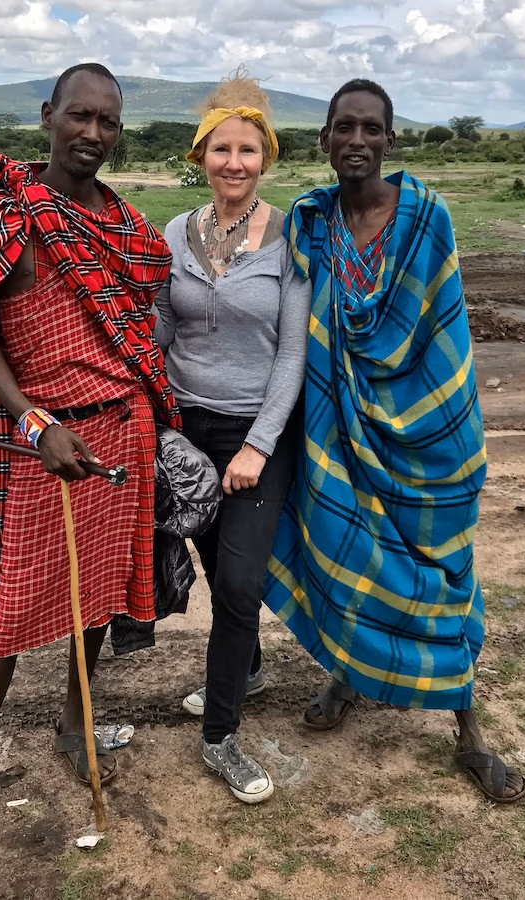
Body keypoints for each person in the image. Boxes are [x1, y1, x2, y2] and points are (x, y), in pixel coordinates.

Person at [0, 63, 179, 874]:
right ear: (48, 115)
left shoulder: (126, 227)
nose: (94, 134)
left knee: (96, 600)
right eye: (80, 117)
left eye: (109, 123)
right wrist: (34, 421)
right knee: (16, 612)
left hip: (123, 436)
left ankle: (73, 724)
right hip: (46, 443)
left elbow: (142, 323)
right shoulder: (4, 217)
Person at [264, 79, 525, 803]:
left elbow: (444, 329)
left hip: (427, 438)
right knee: (349, 555)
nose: (355, 140)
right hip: (340, 432)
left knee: (444, 572)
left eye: (370, 128)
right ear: (322, 139)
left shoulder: (425, 217)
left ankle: (468, 733)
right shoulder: (309, 221)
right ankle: (348, 674)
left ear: (389, 139)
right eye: (342, 127)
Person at [153, 74, 312, 804]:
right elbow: (159, 335)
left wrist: (257, 446)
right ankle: (244, 669)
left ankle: (220, 738)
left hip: (259, 432)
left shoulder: (291, 237)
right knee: (218, 570)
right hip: (186, 430)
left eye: (249, 150)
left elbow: (291, 353)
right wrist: (156, 426)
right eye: (222, 148)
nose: (235, 162)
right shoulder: (174, 234)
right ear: (202, 155)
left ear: (265, 158)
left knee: (242, 584)